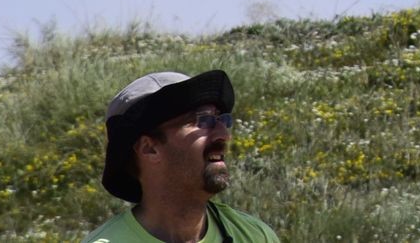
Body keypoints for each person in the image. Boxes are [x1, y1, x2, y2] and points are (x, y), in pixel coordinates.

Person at [86, 69, 279, 243]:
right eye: (203, 120)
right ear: (149, 148)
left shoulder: (255, 236)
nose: (224, 134)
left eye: (222, 119)